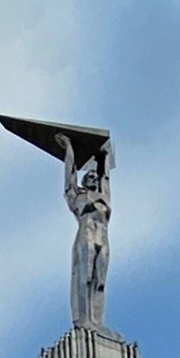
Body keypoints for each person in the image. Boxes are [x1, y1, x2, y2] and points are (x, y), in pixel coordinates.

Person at [58, 132, 111, 329]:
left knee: (100, 282)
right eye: (89, 176)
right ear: (84, 181)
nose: (93, 177)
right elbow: (70, 175)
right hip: (86, 237)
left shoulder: (104, 197)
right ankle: (83, 320)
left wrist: (103, 157)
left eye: (94, 175)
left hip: (103, 240)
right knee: (85, 278)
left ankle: (97, 322)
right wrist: (69, 149)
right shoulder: (77, 197)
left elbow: (106, 177)